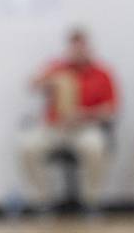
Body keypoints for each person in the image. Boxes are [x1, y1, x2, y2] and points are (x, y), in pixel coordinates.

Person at [19, 28, 118, 210]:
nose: (79, 52)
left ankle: (91, 202)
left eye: (82, 47)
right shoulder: (58, 68)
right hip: (55, 128)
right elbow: (32, 84)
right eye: (75, 48)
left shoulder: (102, 74)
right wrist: (49, 82)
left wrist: (84, 114)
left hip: (85, 128)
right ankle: (42, 201)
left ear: (89, 48)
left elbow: (110, 110)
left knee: (95, 147)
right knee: (27, 146)